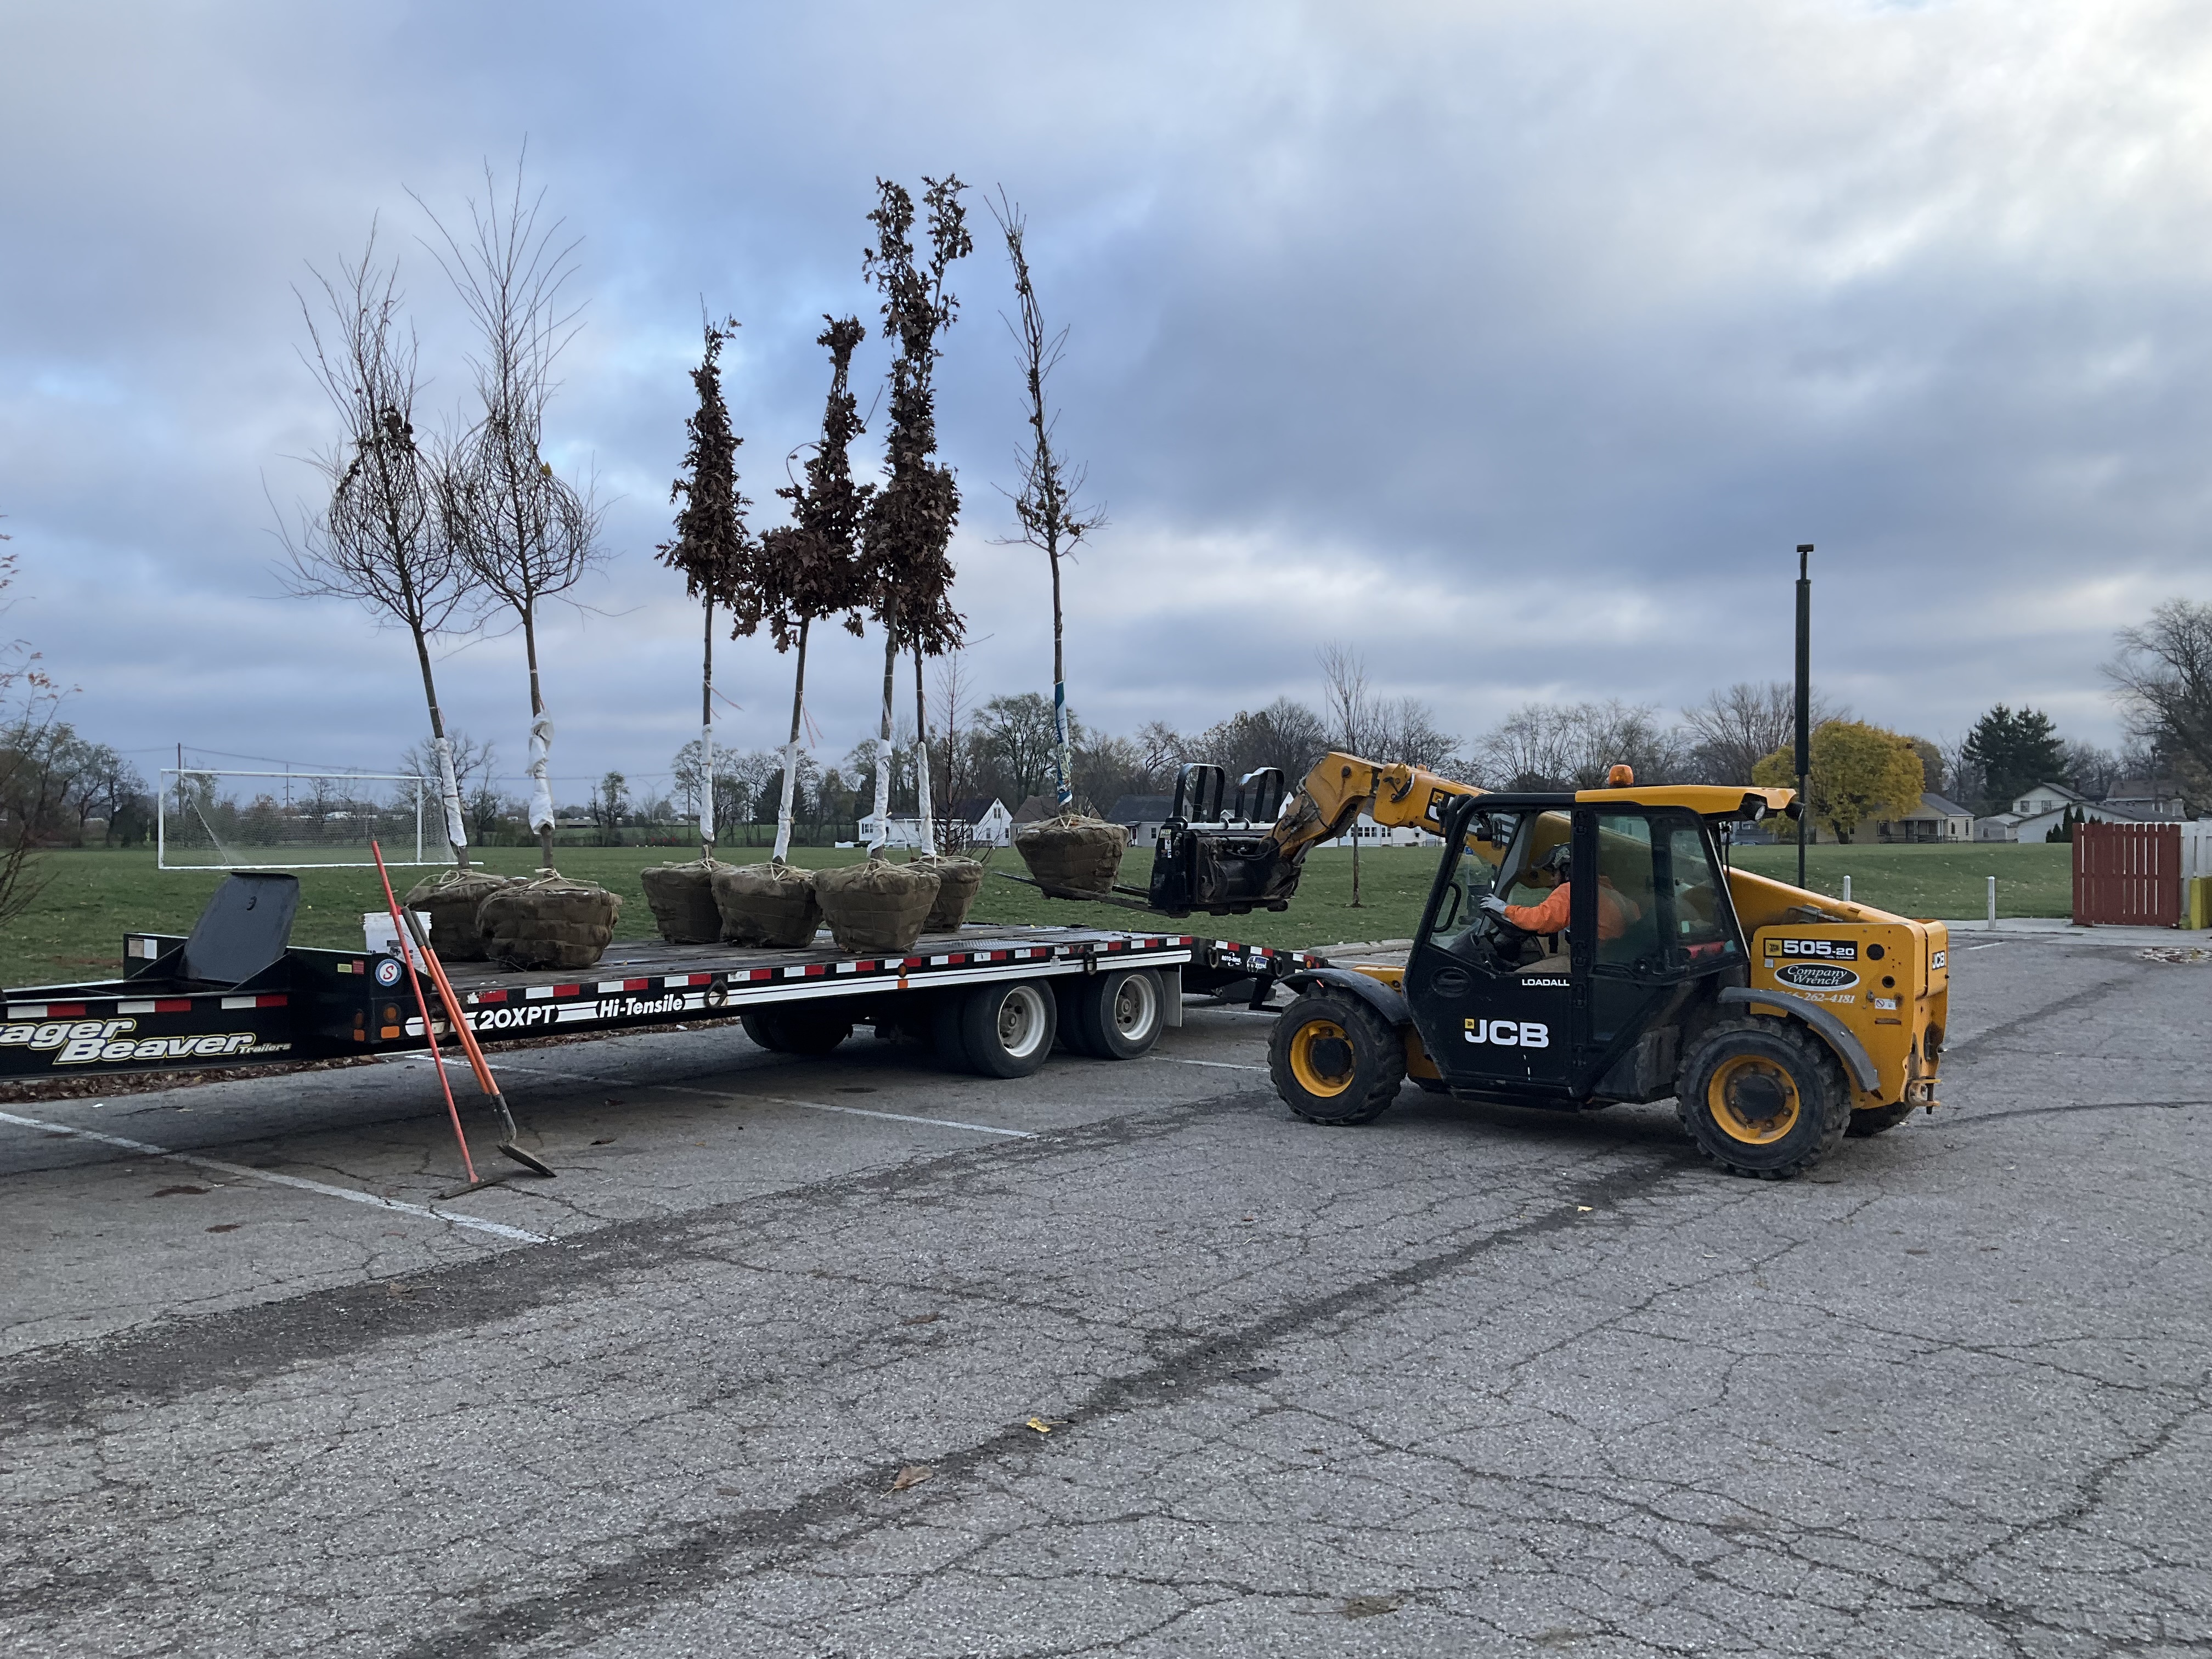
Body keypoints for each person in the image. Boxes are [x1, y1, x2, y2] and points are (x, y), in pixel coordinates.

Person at [1479, 843, 1641, 940]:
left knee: (1519, 977)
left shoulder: (1570, 890)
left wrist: (1504, 909)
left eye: (1554, 873)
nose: (1551, 879)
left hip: (1591, 960)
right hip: (1604, 954)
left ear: (1567, 871)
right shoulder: (1607, 890)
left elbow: (1541, 919)